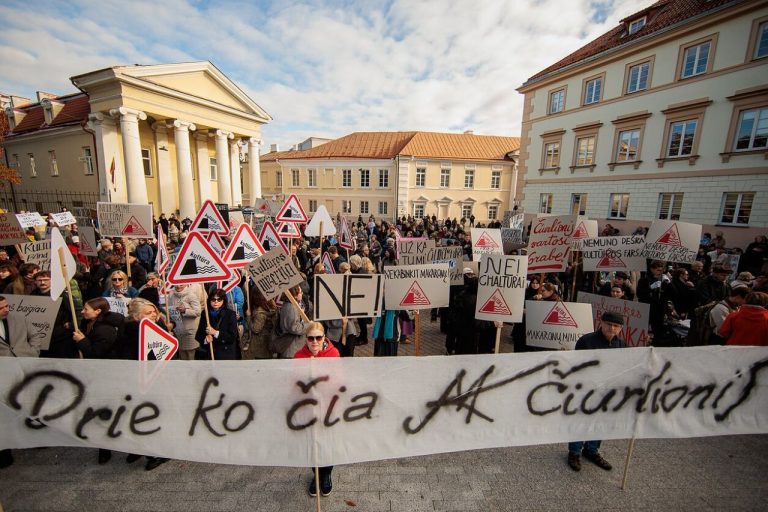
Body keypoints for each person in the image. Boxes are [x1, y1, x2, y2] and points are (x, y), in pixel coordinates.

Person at [567, 311, 626, 472]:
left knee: (601, 421)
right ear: (601, 323)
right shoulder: (587, 341)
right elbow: (576, 366)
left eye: (616, 326)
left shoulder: (621, 345)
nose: (611, 328)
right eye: (609, 324)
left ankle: (592, 450)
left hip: (607, 391)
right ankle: (574, 452)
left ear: (620, 328)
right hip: (586, 389)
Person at [73, 297, 123, 465]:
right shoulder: (87, 324)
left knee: (107, 410)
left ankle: (107, 447)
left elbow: (96, 353)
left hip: (107, 375)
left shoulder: (105, 330)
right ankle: (104, 446)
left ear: (98, 312)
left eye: (86, 309)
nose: (82, 311)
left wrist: (82, 342)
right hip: (95, 375)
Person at [293, 322, 340, 497]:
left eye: (318, 338)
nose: (314, 342)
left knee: (326, 443)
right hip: (309, 409)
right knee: (312, 444)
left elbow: (338, 381)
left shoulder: (333, 354)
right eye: (311, 338)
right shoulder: (299, 356)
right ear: (306, 339)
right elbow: (294, 384)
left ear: (323, 338)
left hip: (328, 408)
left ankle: (326, 474)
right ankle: (317, 474)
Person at [0, 295, 38, 468]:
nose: (6, 309)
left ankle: (36, 429)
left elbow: (35, 335)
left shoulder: (19, 318)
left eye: (6, 306)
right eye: (1, 308)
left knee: (30, 397)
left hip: (25, 363)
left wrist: (33, 352)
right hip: (4, 371)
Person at [194, 288, 239, 360]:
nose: (216, 302)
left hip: (225, 355)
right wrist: (205, 340)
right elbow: (199, 335)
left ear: (223, 301)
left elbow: (232, 337)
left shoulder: (230, 314)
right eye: (213, 299)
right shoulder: (205, 313)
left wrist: (215, 333)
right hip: (209, 354)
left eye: (219, 300)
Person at [272, 285, 310, 358]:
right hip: (292, 347)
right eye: (300, 292)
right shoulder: (291, 307)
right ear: (294, 295)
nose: (302, 294)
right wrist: (308, 326)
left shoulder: (291, 305)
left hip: (293, 346)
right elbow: (294, 328)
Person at [242, 286, 277, 360]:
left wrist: (248, 317)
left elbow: (256, 329)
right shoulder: (271, 306)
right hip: (269, 342)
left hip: (260, 346)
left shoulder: (260, 314)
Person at [169, 284, 202, 360]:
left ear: (185, 284)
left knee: (190, 354)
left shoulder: (191, 294)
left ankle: (192, 371)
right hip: (178, 328)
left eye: (181, 284)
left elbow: (198, 312)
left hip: (189, 329)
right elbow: (169, 309)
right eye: (176, 284)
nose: (178, 286)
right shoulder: (171, 294)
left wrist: (185, 310)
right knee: (181, 353)